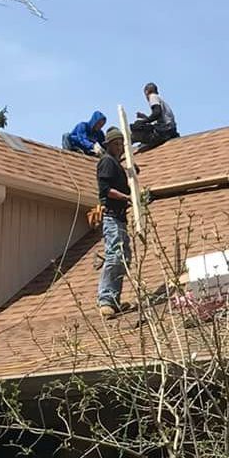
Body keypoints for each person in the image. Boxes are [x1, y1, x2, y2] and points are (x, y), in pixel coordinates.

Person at [96, 127, 134, 318]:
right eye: (116, 144)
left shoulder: (117, 165)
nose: (119, 148)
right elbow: (105, 190)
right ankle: (105, 300)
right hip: (111, 217)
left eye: (121, 144)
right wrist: (127, 197)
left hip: (120, 217)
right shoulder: (107, 162)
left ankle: (114, 300)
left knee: (124, 257)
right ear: (109, 145)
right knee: (114, 255)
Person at [130, 82, 178, 150]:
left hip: (163, 132)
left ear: (146, 92)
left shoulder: (152, 96)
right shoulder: (160, 100)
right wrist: (145, 117)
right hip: (170, 131)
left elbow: (157, 113)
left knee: (134, 128)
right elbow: (157, 117)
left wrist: (143, 121)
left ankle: (119, 152)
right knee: (143, 126)